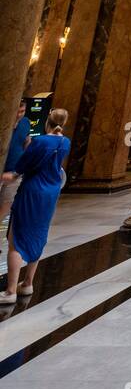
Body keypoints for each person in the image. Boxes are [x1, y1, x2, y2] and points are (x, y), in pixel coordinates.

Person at [0, 107, 69, 304]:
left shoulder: (40, 141)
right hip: (51, 192)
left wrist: (9, 175)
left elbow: (20, 169)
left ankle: (10, 291)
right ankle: (28, 283)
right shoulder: (65, 142)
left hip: (33, 190)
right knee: (39, 233)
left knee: (16, 238)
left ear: (47, 121)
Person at [1, 98, 30, 226]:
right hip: (2, 171)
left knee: (6, 206)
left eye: (22, 111)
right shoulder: (3, 123)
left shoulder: (25, 122)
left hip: (14, 173)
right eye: (17, 111)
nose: (19, 114)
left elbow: (26, 142)